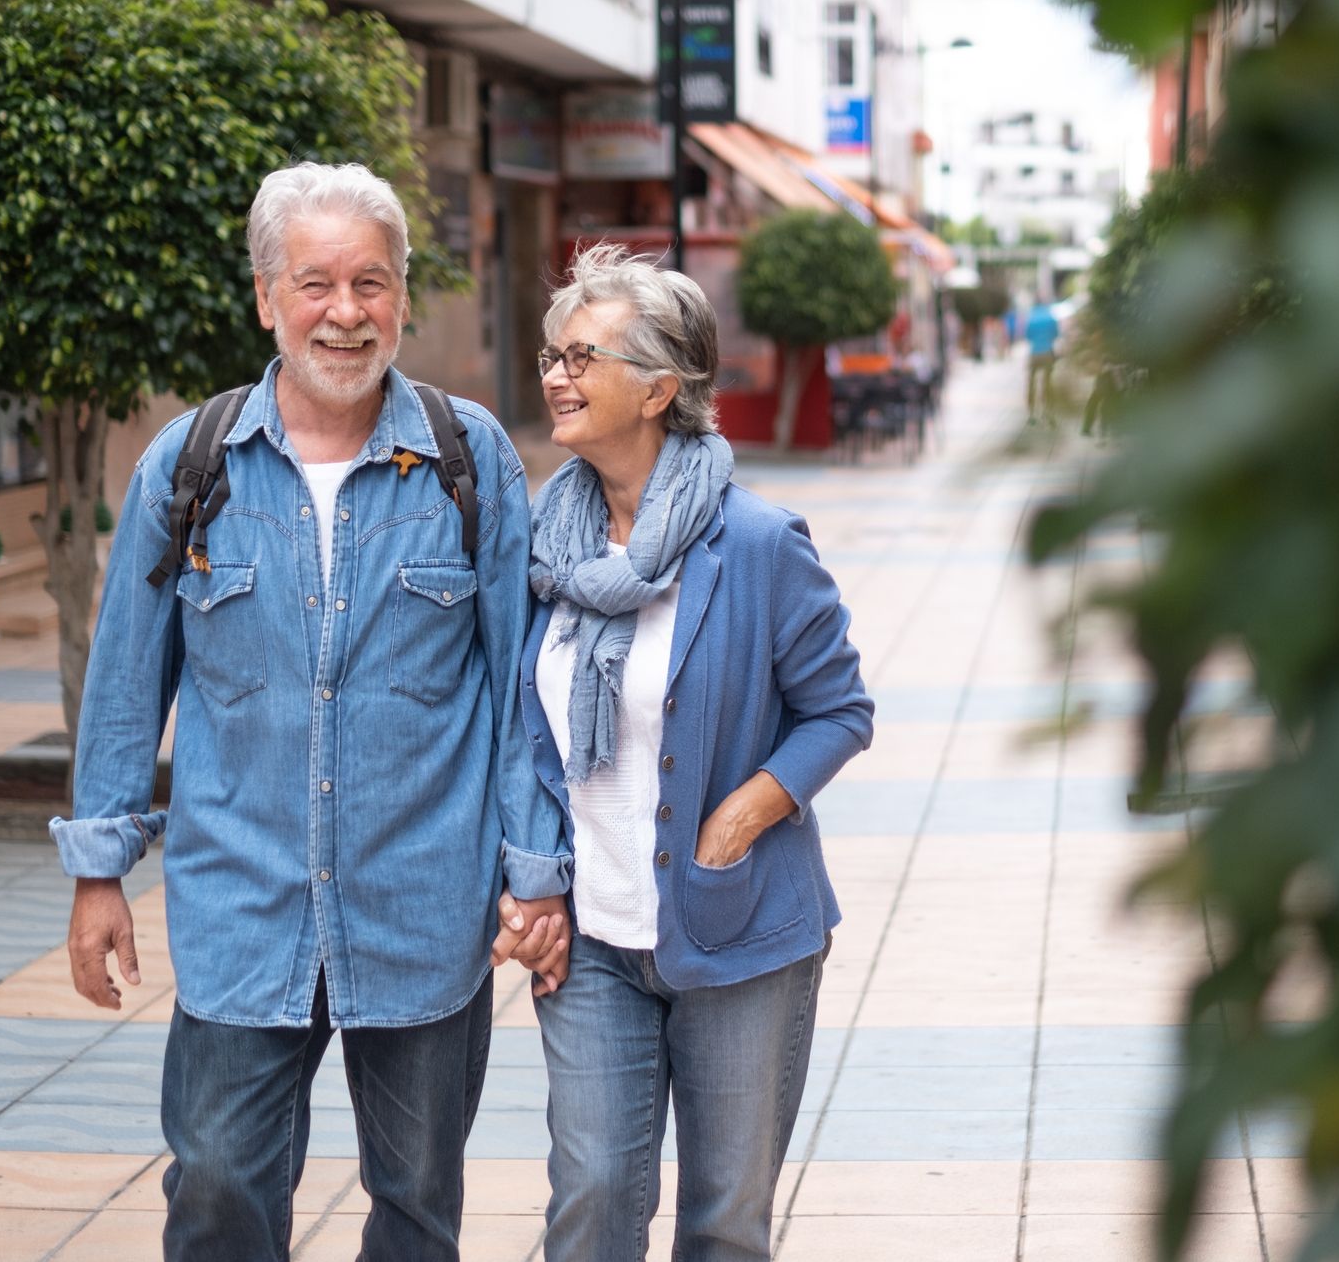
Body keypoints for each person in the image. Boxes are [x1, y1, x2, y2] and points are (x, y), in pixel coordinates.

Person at [51, 162, 571, 1262]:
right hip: (242, 905)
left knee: (419, 1204)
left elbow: (521, 683)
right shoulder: (188, 465)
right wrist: (100, 869)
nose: (345, 313)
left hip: (424, 900)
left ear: (402, 294)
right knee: (218, 1189)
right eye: (316, 283)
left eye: (371, 283)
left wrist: (536, 871)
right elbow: (124, 681)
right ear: (264, 298)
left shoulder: (467, 457)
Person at [520, 242, 874, 1262]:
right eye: (552, 353)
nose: (555, 375)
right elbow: (519, 729)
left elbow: (837, 711)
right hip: (591, 933)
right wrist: (527, 875)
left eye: (582, 356)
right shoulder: (547, 548)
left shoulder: (757, 543)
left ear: (658, 388)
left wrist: (743, 811)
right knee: (588, 1199)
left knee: (723, 1222)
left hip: (742, 931)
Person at [1024, 299, 1061, 422]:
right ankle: (1048, 411)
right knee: (1047, 382)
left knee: (1031, 382)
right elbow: (1056, 334)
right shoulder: (1050, 316)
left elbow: (1028, 336)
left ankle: (1031, 413)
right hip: (1047, 353)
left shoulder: (1031, 317)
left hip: (1034, 353)